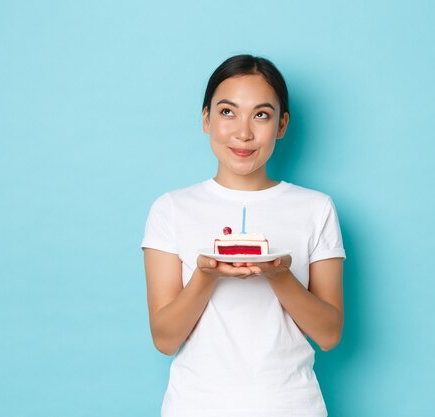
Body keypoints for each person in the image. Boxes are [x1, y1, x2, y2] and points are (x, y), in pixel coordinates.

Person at [141, 54, 346, 417]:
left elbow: (329, 335)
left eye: (262, 115)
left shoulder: (316, 208)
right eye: (227, 112)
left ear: (281, 125)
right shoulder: (171, 208)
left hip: (292, 406)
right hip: (195, 406)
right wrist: (206, 275)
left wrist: (278, 274)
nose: (244, 132)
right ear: (206, 119)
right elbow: (165, 338)